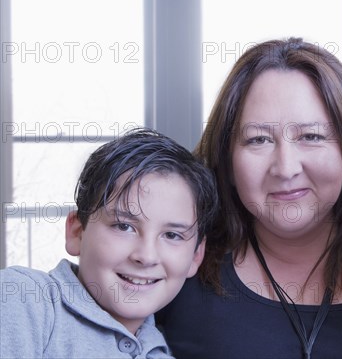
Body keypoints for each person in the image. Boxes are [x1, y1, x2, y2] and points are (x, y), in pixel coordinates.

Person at [158, 38, 342, 358]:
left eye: (311, 136)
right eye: (258, 139)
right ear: (227, 162)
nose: (285, 168)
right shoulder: (177, 261)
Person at [0, 128, 218, 358]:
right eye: (124, 226)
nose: (146, 256)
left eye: (172, 235)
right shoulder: (25, 300)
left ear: (196, 255)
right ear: (77, 233)